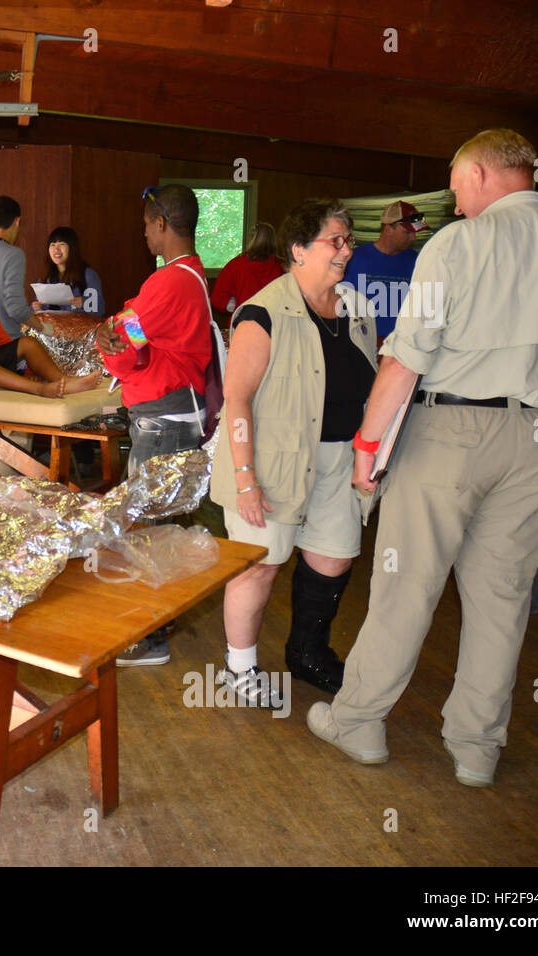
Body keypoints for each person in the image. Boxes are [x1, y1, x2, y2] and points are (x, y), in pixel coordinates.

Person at [309, 129, 538, 787]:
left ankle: (360, 721)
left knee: (407, 582)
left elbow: (405, 358)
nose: (455, 203)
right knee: (502, 597)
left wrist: (368, 449)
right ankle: (476, 748)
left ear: (486, 174)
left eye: (458, 187)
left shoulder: (456, 246)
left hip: (451, 432)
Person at [208, 200, 377, 705]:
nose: (346, 250)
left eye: (349, 241)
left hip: (339, 461)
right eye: (336, 240)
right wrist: (245, 480)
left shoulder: (356, 312)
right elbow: (236, 400)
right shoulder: (262, 312)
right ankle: (239, 670)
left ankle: (308, 654)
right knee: (261, 563)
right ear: (299, 250)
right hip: (271, 461)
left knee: (334, 557)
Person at [95, 184, 214, 667]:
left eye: (147, 224)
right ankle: (155, 625)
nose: (144, 232)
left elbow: (120, 336)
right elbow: (137, 336)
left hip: (164, 417)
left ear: (163, 224)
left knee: (148, 525)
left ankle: (151, 637)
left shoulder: (169, 282)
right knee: (162, 520)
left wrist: (112, 332)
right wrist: (121, 331)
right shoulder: (189, 276)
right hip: (173, 411)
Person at [0, 247, 101, 397]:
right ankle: (39, 389)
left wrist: (28, 373)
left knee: (27, 343)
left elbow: (3, 347)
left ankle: (62, 381)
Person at [341, 199, 430, 340]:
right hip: (362, 343)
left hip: (402, 347)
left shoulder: (419, 263)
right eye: (407, 232)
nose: (414, 238)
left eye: (416, 232)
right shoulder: (353, 260)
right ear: (388, 229)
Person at [0, 195, 39, 338]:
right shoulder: (14, 255)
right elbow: (15, 308)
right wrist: (42, 327)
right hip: (6, 340)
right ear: (17, 221)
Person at [210, 222, 283, 319]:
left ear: (251, 240)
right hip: (275, 324)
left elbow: (218, 299)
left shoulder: (236, 265)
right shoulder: (282, 266)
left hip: (243, 323)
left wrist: (236, 306)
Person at [31, 227, 106, 316]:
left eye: (61, 244)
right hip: (51, 328)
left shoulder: (88, 275)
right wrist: (34, 307)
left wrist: (85, 303)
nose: (56, 249)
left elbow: (101, 310)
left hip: (79, 328)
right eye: (52, 245)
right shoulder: (46, 277)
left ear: (72, 248)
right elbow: (36, 309)